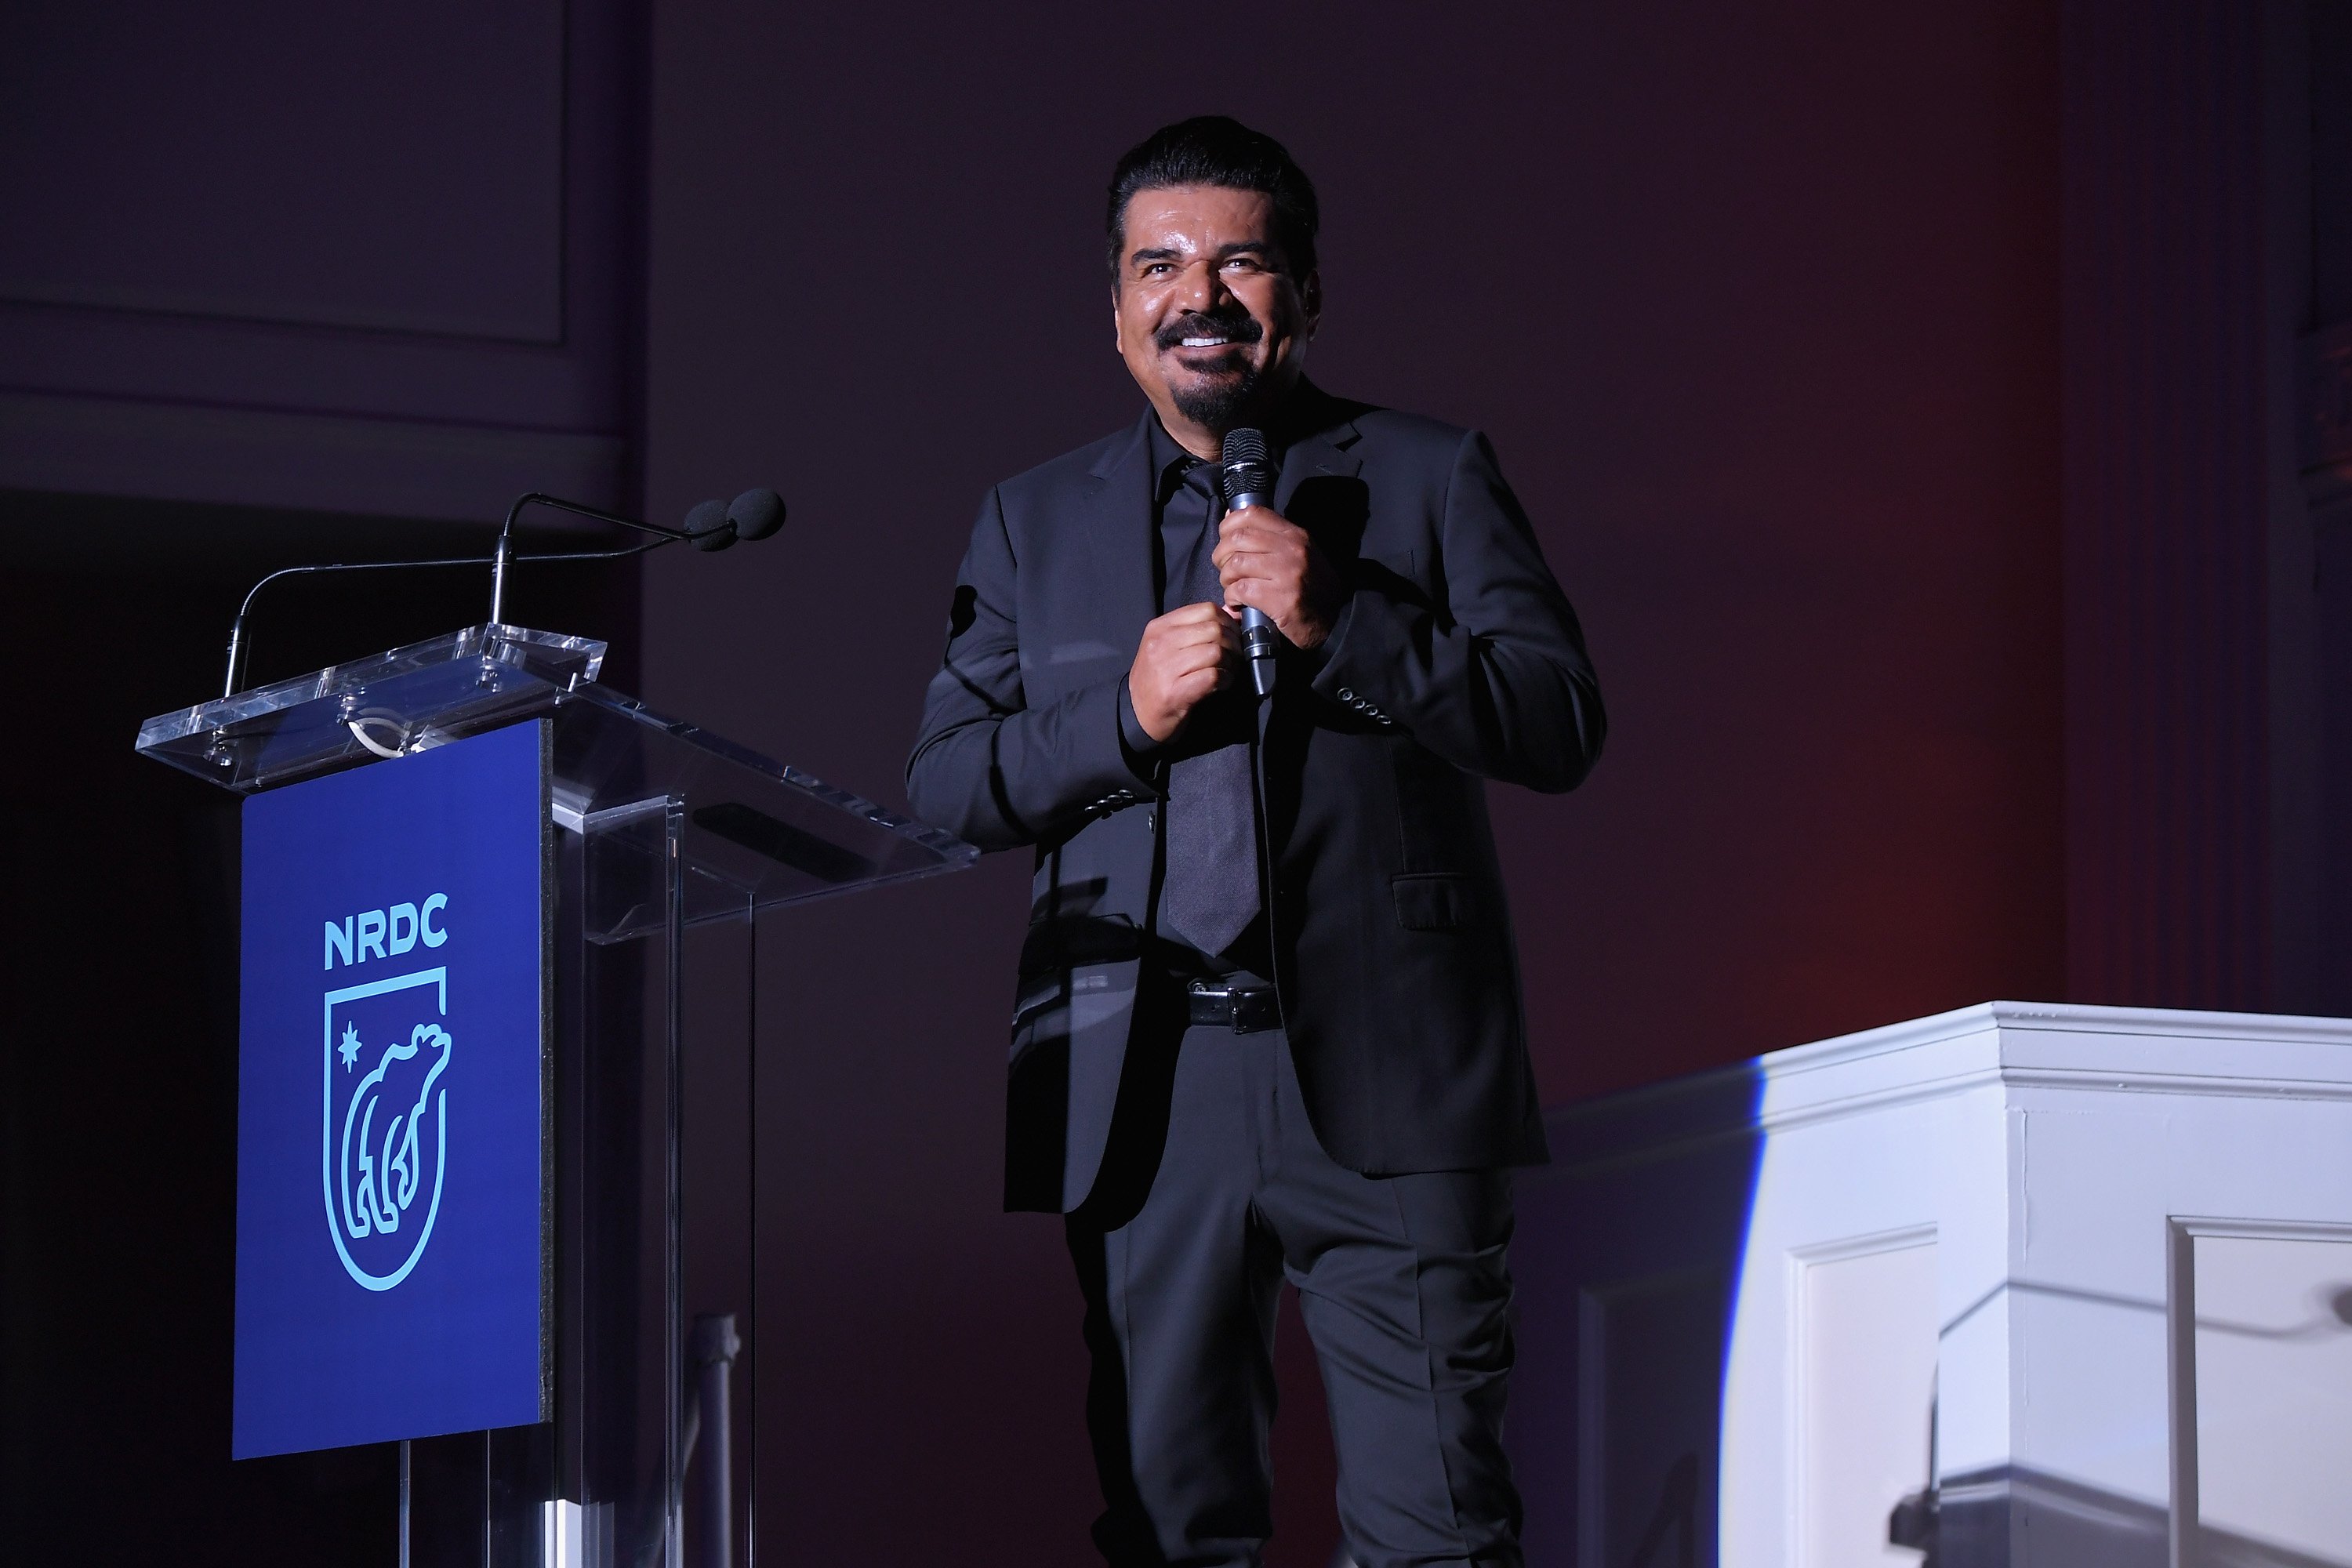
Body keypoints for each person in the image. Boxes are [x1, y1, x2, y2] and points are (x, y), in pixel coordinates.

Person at [906, 115, 1604, 1568]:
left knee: (1441, 1534)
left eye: (1239, 262)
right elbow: (946, 780)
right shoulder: (1033, 521)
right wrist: (1122, 717)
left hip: (1394, 1078)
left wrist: (1347, 621)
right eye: (1157, 265)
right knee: (1172, 1534)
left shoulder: (1428, 474)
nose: (1197, 295)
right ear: (1115, 314)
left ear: (1303, 292)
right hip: (1145, 1086)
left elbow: (1558, 718)